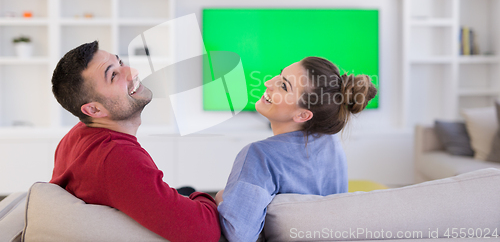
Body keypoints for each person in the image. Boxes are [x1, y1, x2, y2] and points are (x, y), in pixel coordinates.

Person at [50, 41, 221, 242]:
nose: (132, 71)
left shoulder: (78, 133)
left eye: (120, 62)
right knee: (199, 195)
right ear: (94, 110)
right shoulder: (116, 157)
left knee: (186, 191)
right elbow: (206, 232)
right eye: (113, 75)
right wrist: (212, 200)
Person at [215, 56, 377, 242]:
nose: (268, 82)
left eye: (284, 86)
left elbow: (239, 235)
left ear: (303, 114)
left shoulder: (260, 156)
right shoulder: (331, 142)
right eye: (279, 75)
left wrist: (221, 198)